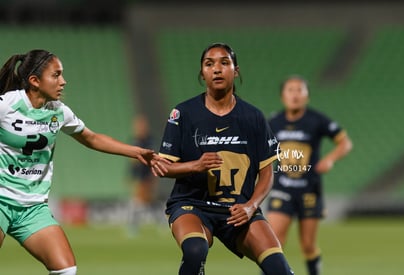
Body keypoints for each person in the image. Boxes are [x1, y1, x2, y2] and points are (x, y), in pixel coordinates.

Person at [0, 49, 168, 275]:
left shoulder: (58, 112)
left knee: (66, 269)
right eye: (56, 75)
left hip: (32, 207)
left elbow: (92, 138)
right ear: (34, 81)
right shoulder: (6, 105)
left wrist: (135, 151)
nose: (63, 81)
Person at [158, 42, 294, 275]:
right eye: (209, 64)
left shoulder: (253, 117)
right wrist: (195, 165)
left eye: (224, 62)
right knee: (194, 250)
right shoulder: (183, 114)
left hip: (238, 209)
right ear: (202, 73)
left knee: (279, 268)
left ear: (236, 70)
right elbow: (162, 167)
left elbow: (267, 173)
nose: (217, 69)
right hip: (193, 206)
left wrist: (251, 206)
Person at [265, 75, 353, 275]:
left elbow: (345, 143)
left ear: (307, 96)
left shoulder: (317, 120)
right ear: (282, 96)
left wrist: (330, 159)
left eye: (299, 90)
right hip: (282, 189)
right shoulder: (273, 122)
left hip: (309, 190)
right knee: (273, 242)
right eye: (290, 90)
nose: (295, 95)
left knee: (308, 246)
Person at [126, 114, 160, 235]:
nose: (139, 128)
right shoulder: (134, 140)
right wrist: (130, 176)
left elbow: (152, 159)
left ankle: (133, 227)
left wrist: (153, 177)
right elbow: (131, 162)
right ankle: (134, 226)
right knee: (142, 203)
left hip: (148, 177)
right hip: (139, 178)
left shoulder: (149, 141)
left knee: (142, 203)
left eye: (141, 125)